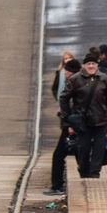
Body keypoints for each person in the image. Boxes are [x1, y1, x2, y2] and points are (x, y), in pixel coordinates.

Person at [62, 53, 107, 179]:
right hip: (83, 122)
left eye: (93, 64)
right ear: (84, 65)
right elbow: (64, 98)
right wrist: (68, 118)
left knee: (99, 150)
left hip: (101, 120)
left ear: (97, 65)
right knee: (83, 149)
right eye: (89, 64)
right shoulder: (75, 79)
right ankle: (84, 171)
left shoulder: (104, 78)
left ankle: (94, 173)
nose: (91, 66)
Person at [45, 53, 79, 196]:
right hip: (70, 124)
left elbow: (75, 106)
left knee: (60, 154)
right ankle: (58, 185)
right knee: (75, 155)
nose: (64, 73)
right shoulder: (72, 82)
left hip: (74, 126)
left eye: (67, 70)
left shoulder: (76, 84)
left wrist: (71, 125)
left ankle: (58, 186)